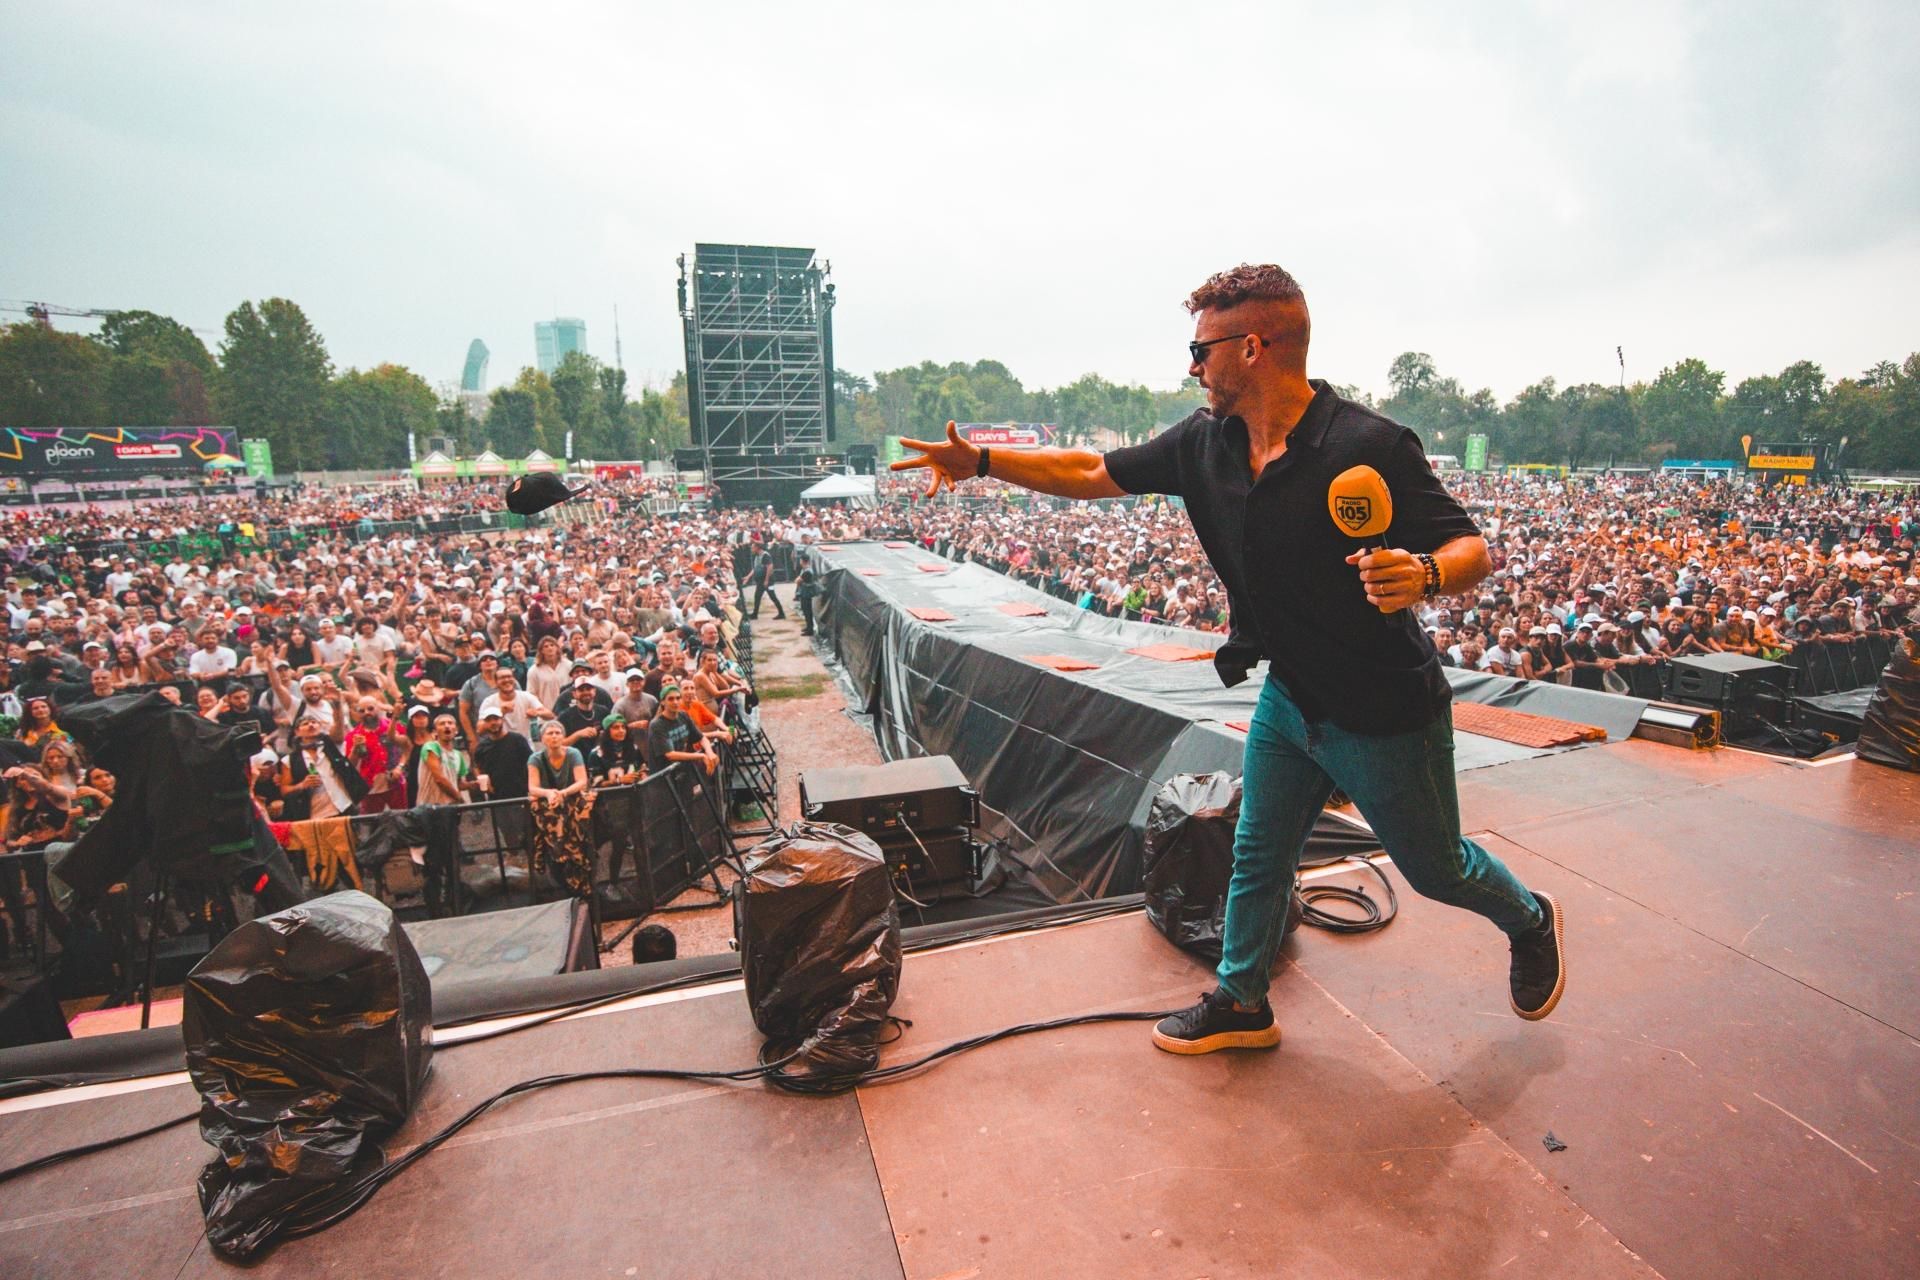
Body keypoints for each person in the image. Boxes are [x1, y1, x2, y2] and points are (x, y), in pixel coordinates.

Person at [893, 262, 1565, 1054]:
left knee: (1437, 868)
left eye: (1199, 350)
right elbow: (1091, 471)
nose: (1192, 368)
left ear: (1252, 347)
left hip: (1382, 707)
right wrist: (982, 463)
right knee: (1258, 853)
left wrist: (1423, 573)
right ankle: (1243, 1001)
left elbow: (1468, 548)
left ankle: (1530, 918)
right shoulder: (1202, 444)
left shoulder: (1369, 444)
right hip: (1289, 695)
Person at [645, 685, 717, 777]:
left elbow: (701, 737)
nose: (675, 702)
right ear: (663, 702)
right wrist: (701, 756)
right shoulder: (656, 725)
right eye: (670, 699)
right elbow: (670, 755)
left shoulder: (683, 716)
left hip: (682, 771)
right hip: (663, 776)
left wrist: (709, 752)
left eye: (678, 698)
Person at [747, 544, 785, 619]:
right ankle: (755, 614)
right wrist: (748, 577)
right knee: (757, 596)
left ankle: (781, 613)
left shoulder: (765, 555)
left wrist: (766, 580)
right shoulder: (757, 556)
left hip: (768, 580)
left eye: (753, 548)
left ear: (757, 547)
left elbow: (770, 567)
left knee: (772, 596)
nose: (752, 550)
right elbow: (755, 568)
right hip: (760, 580)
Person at [793, 567, 819, 636]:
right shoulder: (807, 572)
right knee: (807, 613)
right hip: (806, 597)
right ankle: (809, 627)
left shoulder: (807, 572)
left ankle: (810, 630)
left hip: (806, 597)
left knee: (808, 613)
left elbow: (797, 581)